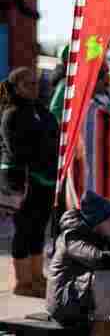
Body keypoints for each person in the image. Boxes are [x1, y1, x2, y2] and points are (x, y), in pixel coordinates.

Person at [46, 190, 110, 336]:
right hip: (65, 304)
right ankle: (101, 325)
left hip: (82, 297)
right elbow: (96, 258)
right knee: (109, 267)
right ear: (96, 221)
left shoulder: (103, 233)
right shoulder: (72, 237)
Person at [0, 67, 59, 298]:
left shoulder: (42, 112)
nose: (34, 88)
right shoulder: (11, 114)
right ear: (16, 88)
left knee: (38, 229)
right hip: (21, 181)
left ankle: (37, 277)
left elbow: (54, 137)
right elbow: (17, 151)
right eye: (28, 84)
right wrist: (44, 154)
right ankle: (22, 281)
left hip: (44, 180)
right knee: (24, 229)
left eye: (36, 83)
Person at [53, 60, 110, 212]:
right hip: (85, 160)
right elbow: (58, 115)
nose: (108, 81)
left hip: (99, 161)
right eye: (105, 76)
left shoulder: (104, 99)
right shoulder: (78, 100)